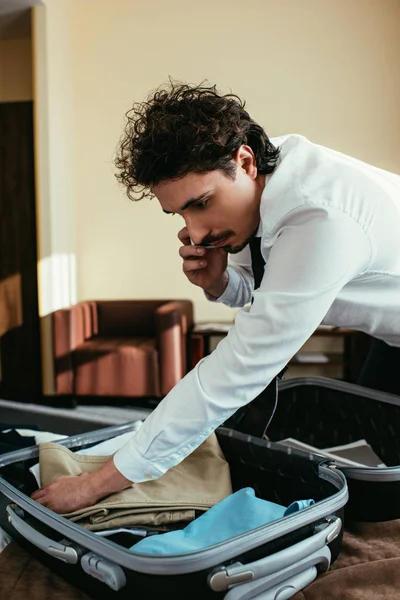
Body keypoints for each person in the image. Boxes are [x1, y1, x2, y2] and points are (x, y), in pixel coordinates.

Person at [31, 82, 400, 513]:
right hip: (389, 335)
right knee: (381, 455)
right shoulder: (261, 176)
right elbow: (263, 287)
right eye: (181, 213)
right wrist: (220, 282)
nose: (197, 232)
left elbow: (237, 370)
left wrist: (97, 483)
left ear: (244, 161)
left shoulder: (320, 218)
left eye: (202, 204)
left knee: (383, 492)